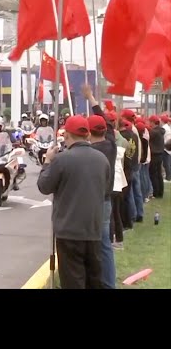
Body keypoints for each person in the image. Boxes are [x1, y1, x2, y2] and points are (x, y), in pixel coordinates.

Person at [37, 115, 110, 289]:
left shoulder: (62, 160)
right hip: (93, 229)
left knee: (73, 280)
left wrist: (47, 161)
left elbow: (44, 186)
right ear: (87, 135)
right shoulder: (102, 160)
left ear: (67, 135)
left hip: (69, 231)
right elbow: (105, 189)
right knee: (94, 278)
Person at [87, 115, 117, 289]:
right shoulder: (111, 145)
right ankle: (108, 283)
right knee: (105, 245)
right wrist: (91, 99)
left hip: (94, 201)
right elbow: (110, 124)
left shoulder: (94, 152)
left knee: (92, 244)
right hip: (106, 200)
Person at [148, 115, 166, 199]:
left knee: (153, 174)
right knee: (159, 174)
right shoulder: (160, 131)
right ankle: (160, 192)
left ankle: (155, 192)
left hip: (154, 154)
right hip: (160, 154)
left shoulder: (153, 132)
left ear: (152, 122)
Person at [162, 114, 171, 181]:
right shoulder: (168, 127)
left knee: (166, 163)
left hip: (166, 147)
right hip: (168, 146)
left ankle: (168, 177)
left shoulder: (164, 128)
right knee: (167, 163)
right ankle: (168, 176)